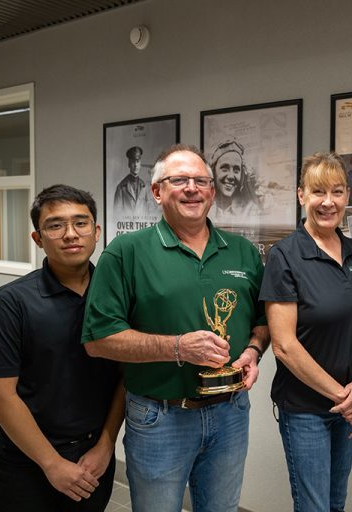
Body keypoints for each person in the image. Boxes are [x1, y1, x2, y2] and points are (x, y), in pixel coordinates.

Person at [81, 144, 269, 512]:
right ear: (157, 192)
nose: (192, 188)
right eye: (179, 180)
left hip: (231, 413)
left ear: (212, 192)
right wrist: (178, 347)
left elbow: (263, 321)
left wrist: (253, 351)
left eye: (201, 181)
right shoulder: (126, 252)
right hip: (160, 418)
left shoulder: (244, 252)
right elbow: (98, 339)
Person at [0, 185, 123, 512]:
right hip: (27, 462)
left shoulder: (117, 299)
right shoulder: (10, 303)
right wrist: (52, 464)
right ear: (38, 239)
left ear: (97, 231)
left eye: (81, 223)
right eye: (55, 225)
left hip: (93, 459)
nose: (71, 234)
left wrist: (106, 445)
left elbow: (126, 378)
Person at [260, 152, 352, 512]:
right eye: (318, 192)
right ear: (301, 195)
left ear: (348, 197)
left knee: (336, 502)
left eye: (337, 191)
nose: (328, 202)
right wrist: (347, 400)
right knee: (313, 506)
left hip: (349, 401)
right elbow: (284, 346)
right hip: (306, 410)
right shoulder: (285, 255)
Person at [208, 139, 265, 220]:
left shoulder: (250, 210)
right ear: (214, 172)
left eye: (236, 170)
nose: (231, 176)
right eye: (224, 168)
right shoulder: (204, 210)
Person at [113, 146, 151, 215]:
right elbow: (117, 215)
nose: (136, 165)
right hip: (126, 225)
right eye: (133, 162)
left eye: (137, 161)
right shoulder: (121, 187)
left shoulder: (144, 187)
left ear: (140, 164)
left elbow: (149, 211)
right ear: (129, 164)